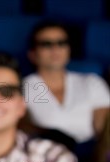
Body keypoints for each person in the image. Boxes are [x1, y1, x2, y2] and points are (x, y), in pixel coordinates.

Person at [23, 21, 110, 152]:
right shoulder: (22, 87)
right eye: (46, 44)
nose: (55, 49)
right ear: (32, 54)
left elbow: (104, 129)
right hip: (41, 156)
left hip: (91, 158)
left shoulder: (92, 82)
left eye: (61, 43)